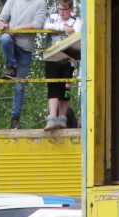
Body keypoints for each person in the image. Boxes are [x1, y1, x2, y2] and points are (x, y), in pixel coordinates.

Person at [0, 0, 47, 129]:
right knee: (4, 38)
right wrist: (2, 25)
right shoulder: (12, 1)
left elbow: (39, 24)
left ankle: (15, 118)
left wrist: (17, 28)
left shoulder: (40, 2)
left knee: (19, 85)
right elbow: (0, 19)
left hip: (26, 48)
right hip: (11, 40)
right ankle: (11, 66)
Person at [42, 0, 80, 131]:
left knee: (66, 89)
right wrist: (62, 28)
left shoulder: (77, 21)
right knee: (52, 86)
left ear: (71, 10)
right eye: (60, 9)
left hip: (68, 60)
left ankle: (62, 118)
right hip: (52, 58)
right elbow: (42, 25)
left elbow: (79, 34)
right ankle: (52, 117)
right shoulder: (52, 18)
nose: (62, 13)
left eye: (65, 10)